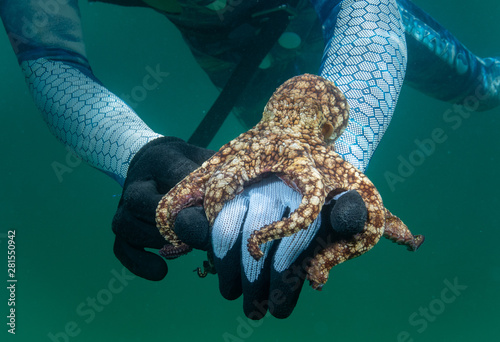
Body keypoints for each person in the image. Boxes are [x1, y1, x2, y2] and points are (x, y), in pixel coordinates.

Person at [0, 0, 498, 319]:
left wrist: (336, 156)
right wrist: (139, 150)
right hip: (227, 42)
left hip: (351, 13)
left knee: (479, 86)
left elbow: (369, 10)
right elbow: (47, 54)